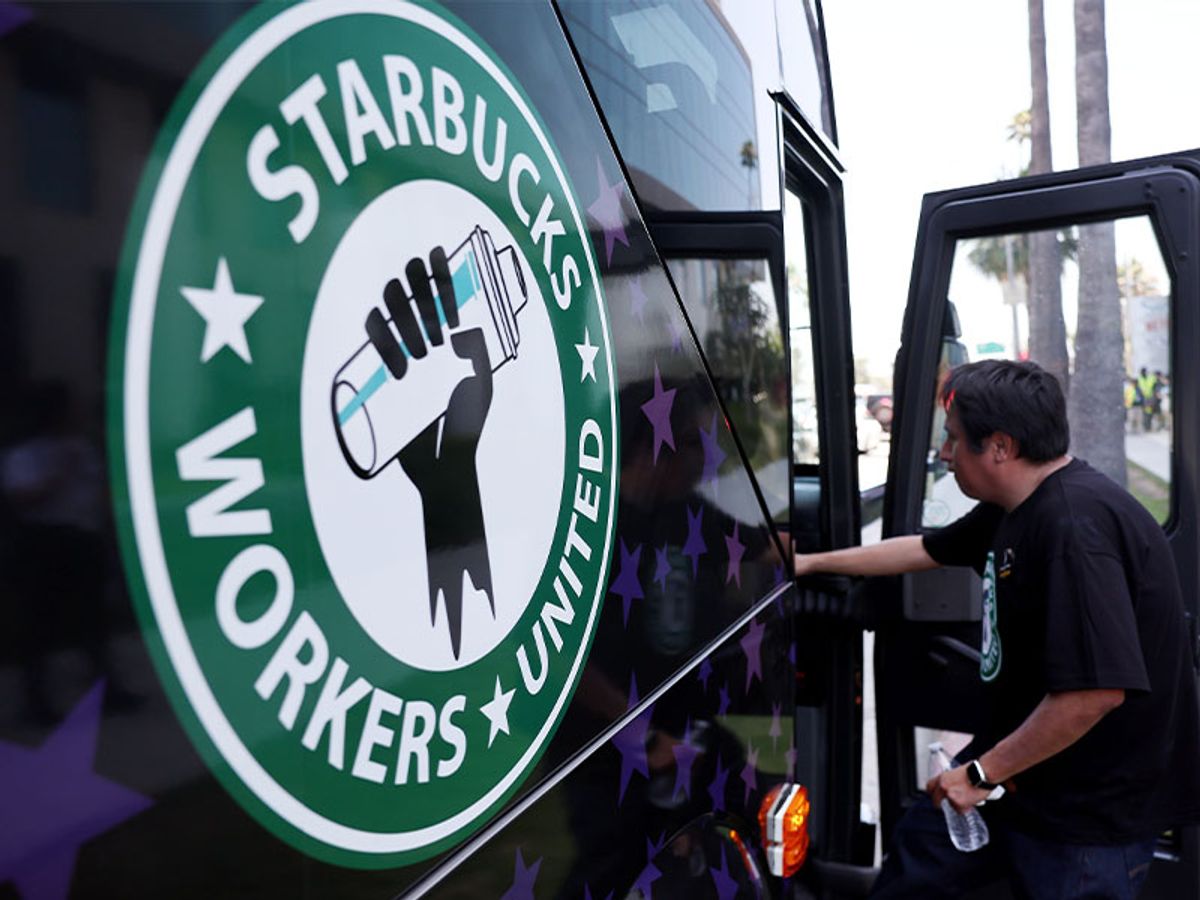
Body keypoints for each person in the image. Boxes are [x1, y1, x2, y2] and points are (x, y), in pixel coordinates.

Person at [795, 360, 1200, 899]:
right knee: (922, 851)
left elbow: (1093, 693)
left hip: (1086, 820)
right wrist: (810, 564)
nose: (943, 454)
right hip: (1029, 782)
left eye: (954, 439)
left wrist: (981, 773)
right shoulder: (1016, 507)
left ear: (1001, 447)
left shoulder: (1074, 528)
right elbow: (925, 549)